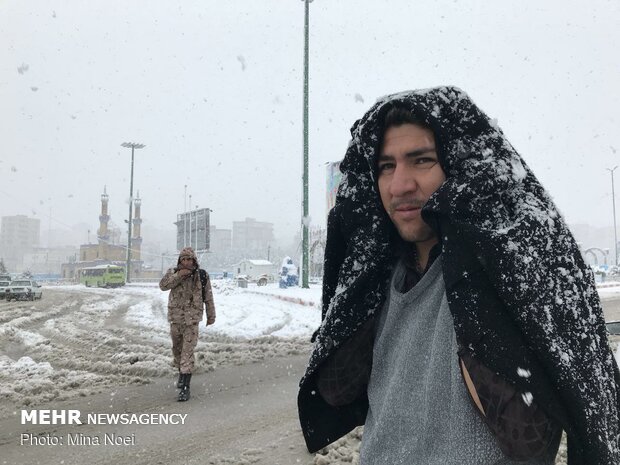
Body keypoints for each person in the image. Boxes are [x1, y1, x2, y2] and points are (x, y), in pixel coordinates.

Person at [297, 87, 620, 464]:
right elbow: (335, 391)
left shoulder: (512, 274)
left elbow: (529, 443)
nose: (400, 185)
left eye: (421, 161)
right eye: (386, 166)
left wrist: (474, 280)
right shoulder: (376, 277)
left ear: (463, 167)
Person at [160, 247, 215, 401]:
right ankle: (181, 375)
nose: (186, 262)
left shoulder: (201, 276)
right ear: (180, 260)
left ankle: (185, 387)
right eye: (183, 259)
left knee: (187, 353)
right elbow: (163, 286)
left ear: (194, 260)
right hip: (176, 319)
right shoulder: (173, 272)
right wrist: (178, 276)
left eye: (189, 259)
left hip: (192, 320)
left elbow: (208, 297)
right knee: (177, 351)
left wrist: (211, 315)